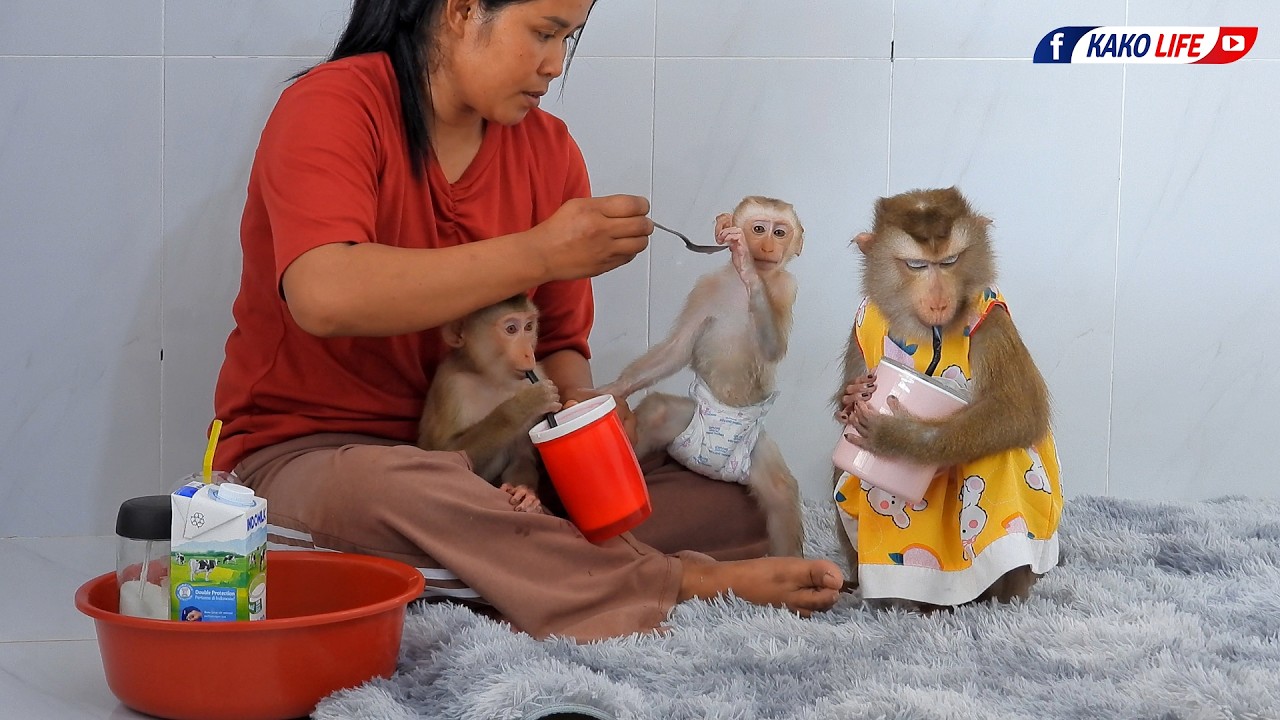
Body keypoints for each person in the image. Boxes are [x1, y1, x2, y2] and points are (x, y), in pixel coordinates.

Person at [211, 0, 842, 641]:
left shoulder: (548, 149)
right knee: (410, 489)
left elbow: (562, 344)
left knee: (736, 501)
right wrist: (539, 251)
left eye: (568, 38)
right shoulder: (335, 104)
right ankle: (670, 581)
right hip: (326, 460)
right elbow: (325, 295)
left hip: (501, 467)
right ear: (460, 11)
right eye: (543, 33)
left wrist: (586, 428)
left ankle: (525, 566)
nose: (554, 65)